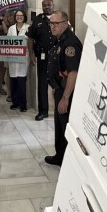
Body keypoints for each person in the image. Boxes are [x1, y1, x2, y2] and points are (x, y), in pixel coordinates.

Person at [45, 10, 82, 166]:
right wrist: (55, 87)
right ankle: (60, 156)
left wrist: (65, 98)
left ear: (65, 24)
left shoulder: (70, 43)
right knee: (59, 126)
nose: (52, 27)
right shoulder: (59, 39)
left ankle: (69, 162)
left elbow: (73, 73)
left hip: (69, 92)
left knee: (66, 126)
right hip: (60, 88)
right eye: (51, 23)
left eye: (56, 23)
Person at [26, 0, 55, 121]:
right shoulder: (37, 20)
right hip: (42, 57)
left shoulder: (59, 18)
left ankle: (61, 111)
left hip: (56, 59)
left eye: (49, 5)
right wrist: (31, 55)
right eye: (44, 5)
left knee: (58, 85)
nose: (46, 7)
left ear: (53, 5)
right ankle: (43, 111)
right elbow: (30, 38)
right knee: (42, 85)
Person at [7, 10, 30, 112]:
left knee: (21, 82)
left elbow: (30, 42)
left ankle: (23, 104)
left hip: (23, 58)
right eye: (17, 15)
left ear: (24, 17)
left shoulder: (28, 27)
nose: (19, 17)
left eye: (21, 15)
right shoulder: (11, 28)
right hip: (13, 58)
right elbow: (7, 42)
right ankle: (15, 102)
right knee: (14, 81)